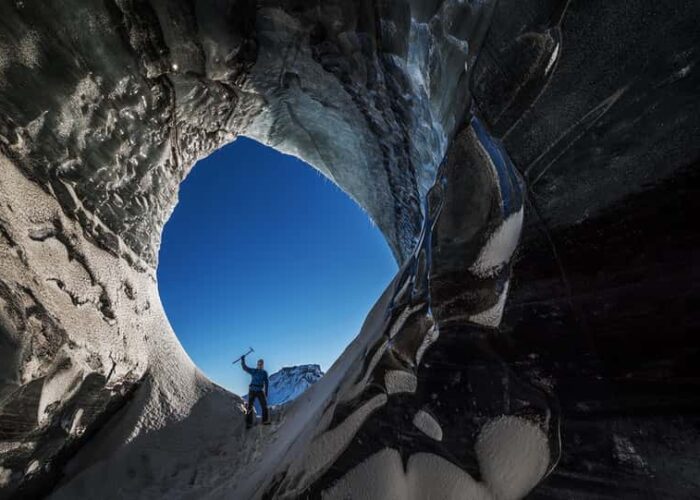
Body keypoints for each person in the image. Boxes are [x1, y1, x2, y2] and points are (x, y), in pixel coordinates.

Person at [241, 355, 270, 428]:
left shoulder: (264, 373)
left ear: (263, 365)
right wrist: (243, 360)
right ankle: (249, 423)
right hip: (252, 390)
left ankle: (265, 421)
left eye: (261, 364)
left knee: (264, 406)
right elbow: (245, 368)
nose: (260, 365)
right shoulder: (254, 371)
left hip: (260, 390)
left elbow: (266, 382)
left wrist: (266, 392)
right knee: (250, 406)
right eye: (259, 364)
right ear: (257, 364)